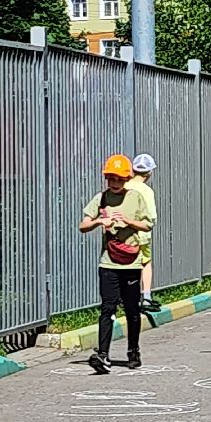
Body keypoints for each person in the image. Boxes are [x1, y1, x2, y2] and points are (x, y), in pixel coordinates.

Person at [80, 154, 155, 375]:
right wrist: (98, 222)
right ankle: (102, 354)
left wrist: (128, 222)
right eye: (111, 179)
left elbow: (147, 224)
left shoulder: (135, 198)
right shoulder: (101, 198)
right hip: (109, 262)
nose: (114, 184)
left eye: (119, 180)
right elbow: (82, 225)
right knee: (108, 308)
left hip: (131, 262)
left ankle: (133, 351)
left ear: (127, 179)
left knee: (132, 309)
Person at [127, 153, 160, 312]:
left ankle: (125, 296)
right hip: (142, 235)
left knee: (126, 265)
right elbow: (152, 218)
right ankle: (146, 298)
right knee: (145, 263)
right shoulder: (147, 191)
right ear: (150, 172)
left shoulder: (125, 186)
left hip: (124, 236)